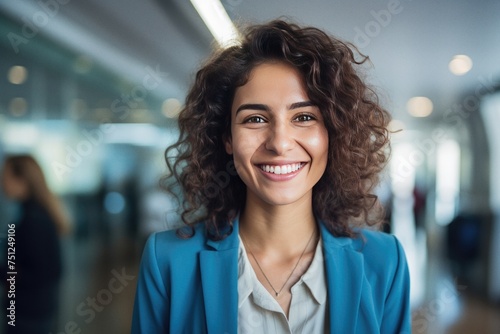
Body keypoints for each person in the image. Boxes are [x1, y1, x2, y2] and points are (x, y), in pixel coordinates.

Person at [131, 20, 410, 333]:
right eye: (255, 119)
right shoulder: (167, 261)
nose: (279, 143)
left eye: (303, 117)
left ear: (332, 134)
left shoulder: (385, 262)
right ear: (226, 138)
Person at [1, 155, 71, 333]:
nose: (2, 182)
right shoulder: (33, 215)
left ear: (22, 180)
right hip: (34, 310)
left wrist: (6, 273)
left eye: (6, 176)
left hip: (28, 313)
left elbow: (46, 271)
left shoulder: (33, 220)